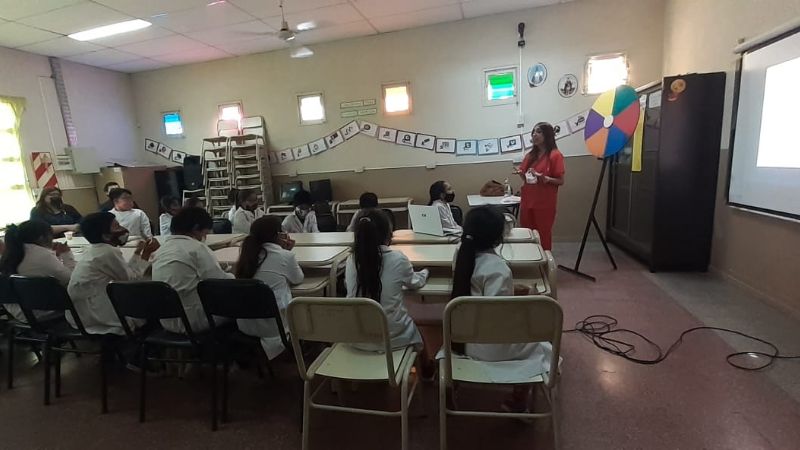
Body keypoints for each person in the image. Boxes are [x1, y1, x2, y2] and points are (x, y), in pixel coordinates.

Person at [451, 206, 554, 413]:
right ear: (498, 238)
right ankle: (519, 400)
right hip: (490, 346)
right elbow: (498, 316)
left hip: (464, 342)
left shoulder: (461, 256)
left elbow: (479, 295)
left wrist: (512, 291)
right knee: (542, 344)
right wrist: (528, 299)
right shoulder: (498, 268)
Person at [346, 209, 428, 351]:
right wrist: (426, 272)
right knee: (417, 330)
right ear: (388, 233)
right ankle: (426, 369)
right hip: (393, 339)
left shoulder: (351, 260)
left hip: (357, 338)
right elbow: (415, 283)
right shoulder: (397, 258)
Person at [67, 212, 159, 335]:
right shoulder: (107, 252)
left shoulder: (95, 250)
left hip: (80, 314)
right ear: (106, 236)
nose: (122, 229)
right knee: (150, 305)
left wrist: (137, 253)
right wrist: (146, 255)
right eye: (116, 226)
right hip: (98, 315)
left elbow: (126, 273)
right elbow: (131, 281)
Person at [152, 207, 233, 333]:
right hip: (195, 320)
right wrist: (233, 274)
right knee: (241, 304)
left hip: (167, 320)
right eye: (205, 233)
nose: (205, 237)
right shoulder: (197, 248)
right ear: (196, 228)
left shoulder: (160, 251)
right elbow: (219, 283)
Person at [234, 215, 303, 360]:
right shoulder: (284, 256)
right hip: (273, 326)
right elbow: (298, 278)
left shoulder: (247, 256)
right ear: (278, 235)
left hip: (245, 325)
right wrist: (288, 252)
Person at [0, 220, 74, 322]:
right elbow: (72, 280)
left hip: (19, 311)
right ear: (41, 237)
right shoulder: (41, 255)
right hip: (44, 311)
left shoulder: (11, 253)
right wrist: (67, 255)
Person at [514, 122, 565, 251]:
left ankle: (544, 265)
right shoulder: (530, 156)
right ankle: (530, 263)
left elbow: (560, 181)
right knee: (527, 232)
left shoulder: (555, 155)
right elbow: (526, 178)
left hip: (544, 203)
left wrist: (546, 178)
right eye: (533, 132)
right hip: (528, 200)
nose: (534, 135)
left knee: (543, 233)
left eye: (538, 132)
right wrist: (521, 173)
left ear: (547, 135)